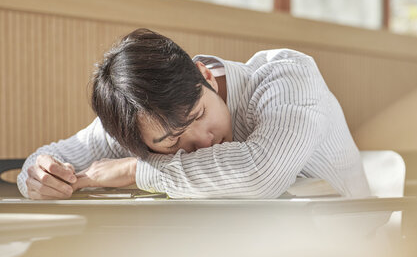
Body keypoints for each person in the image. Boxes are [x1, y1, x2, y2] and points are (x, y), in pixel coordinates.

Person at [17, 28, 371, 199]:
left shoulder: (287, 76)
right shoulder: (139, 116)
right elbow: (50, 159)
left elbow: (260, 175)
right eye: (171, 143)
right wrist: (40, 176)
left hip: (357, 253)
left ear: (204, 76)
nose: (201, 141)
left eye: (199, 115)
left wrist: (137, 169)